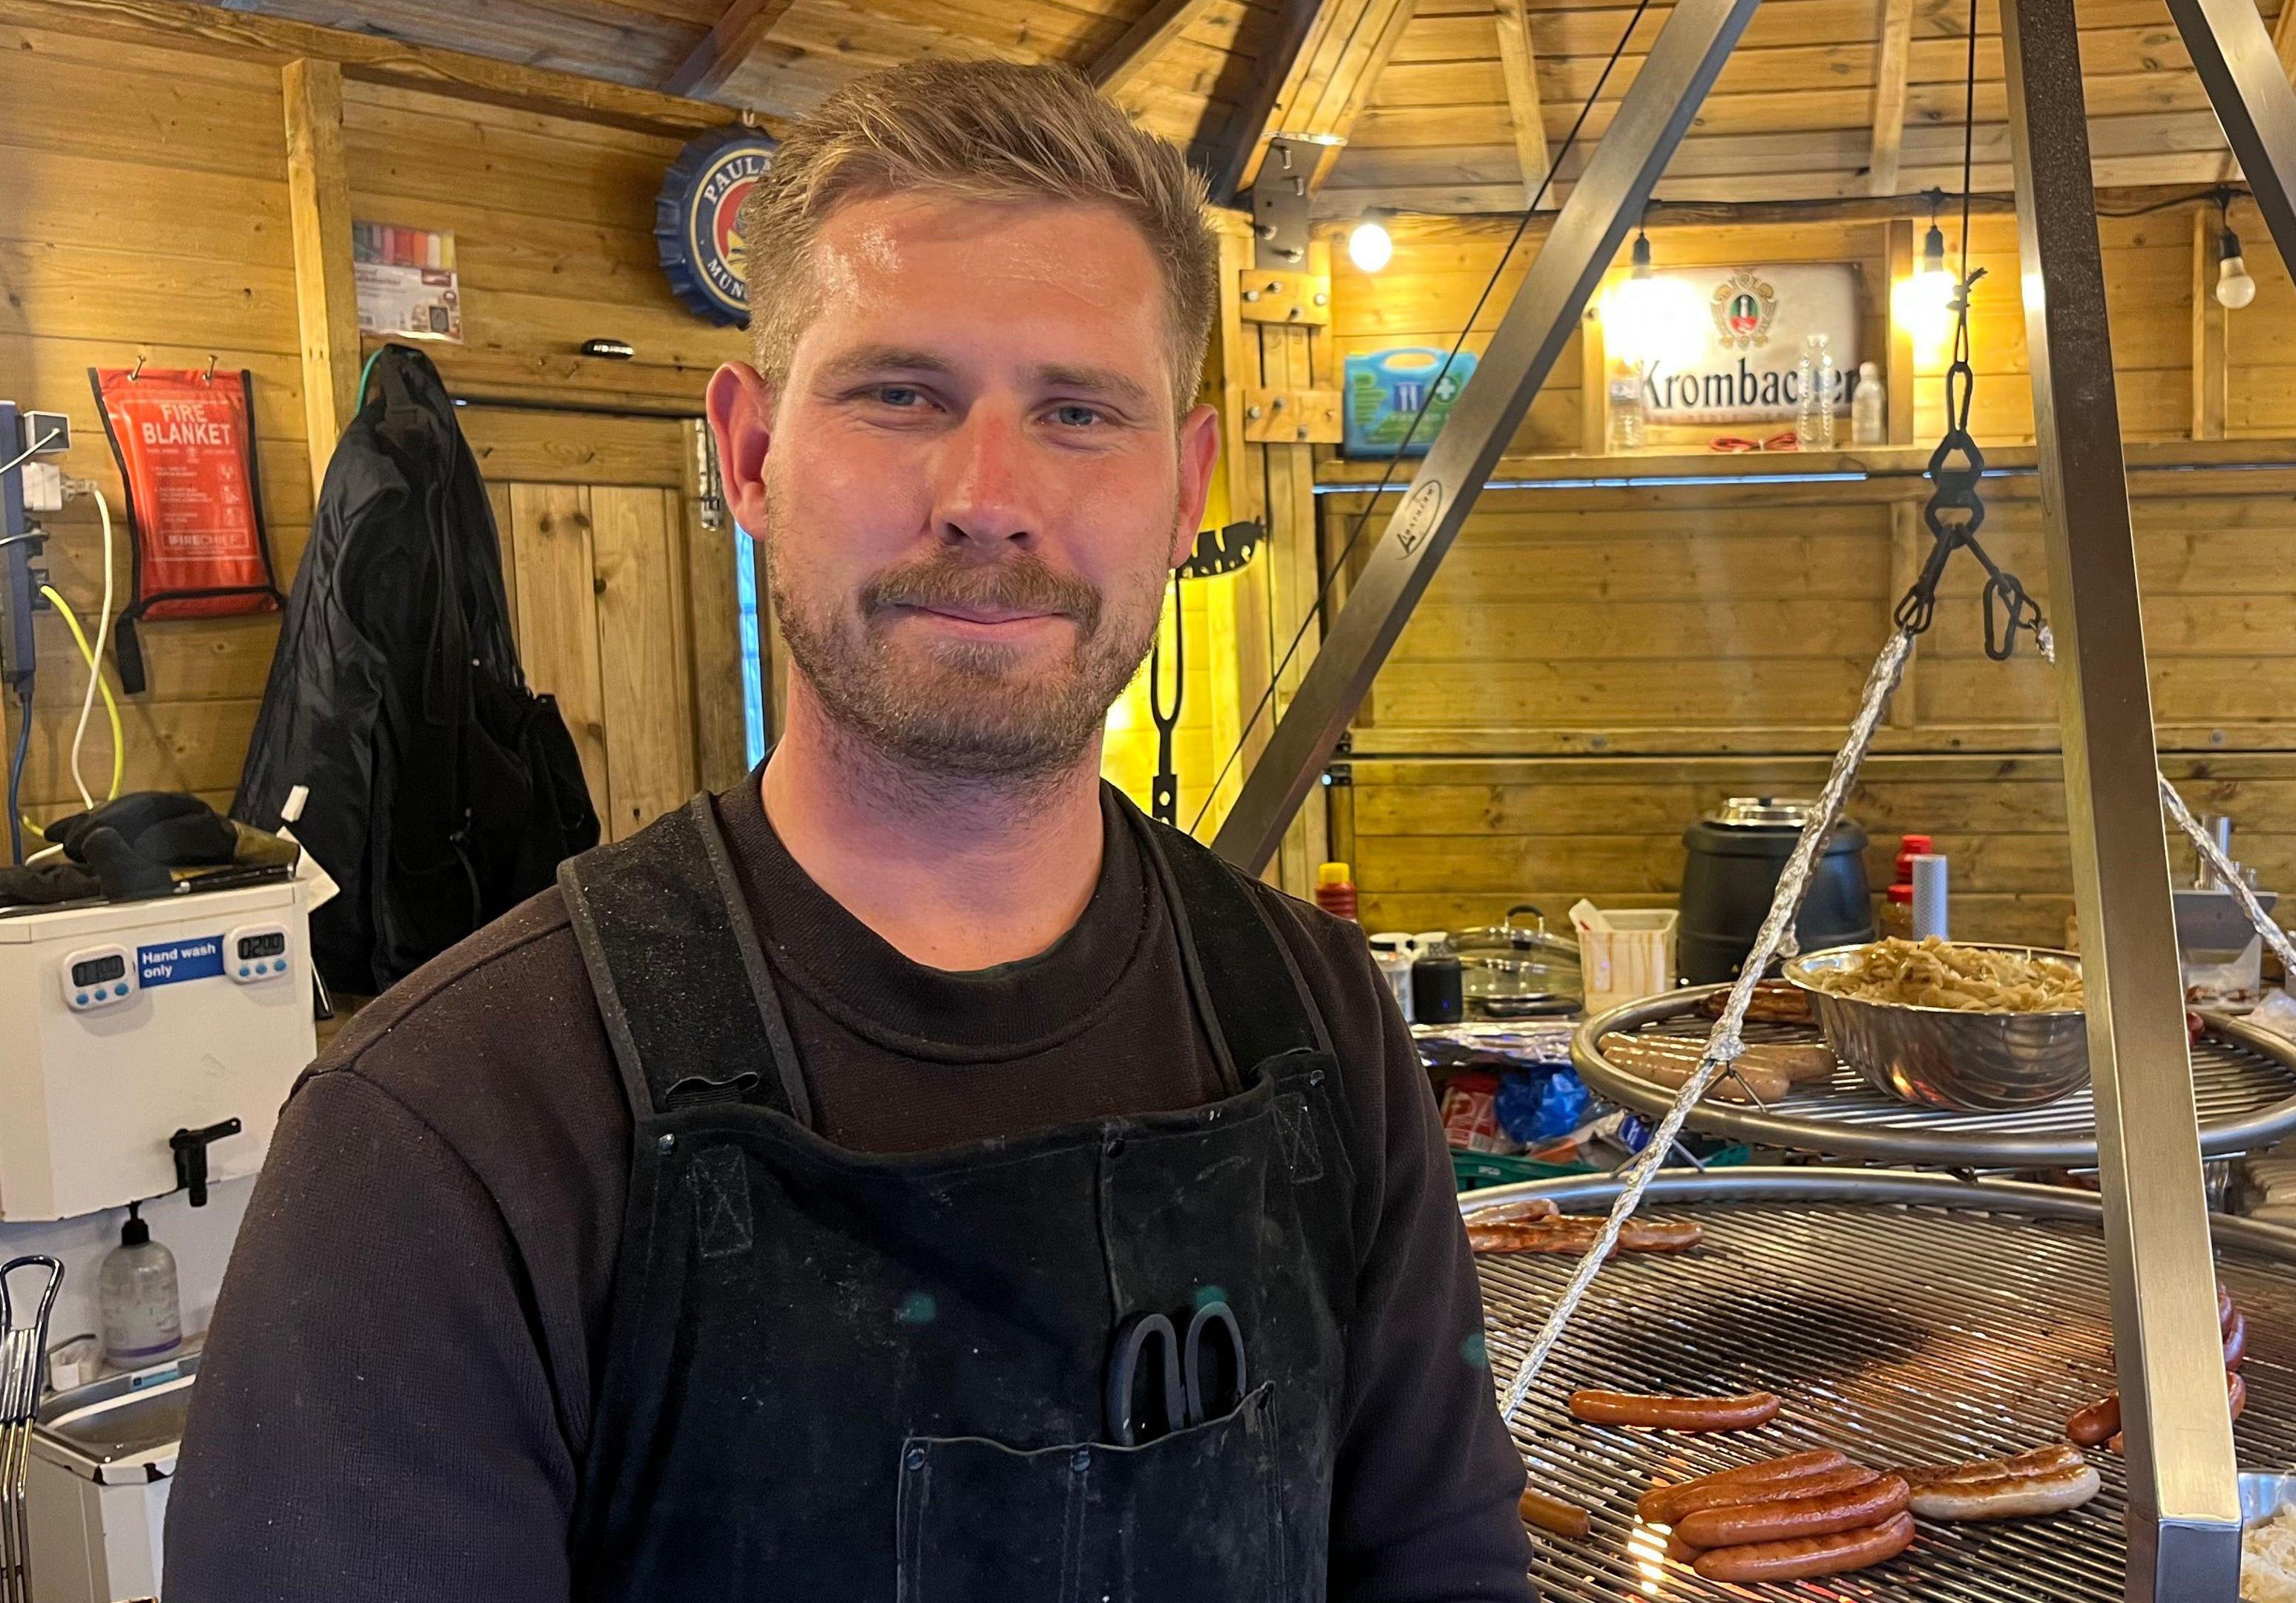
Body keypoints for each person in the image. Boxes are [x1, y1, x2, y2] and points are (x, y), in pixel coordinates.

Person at [167, 60, 1533, 1602]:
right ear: (749, 456)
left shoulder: (1319, 1024)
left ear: (1183, 489)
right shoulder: (444, 1131)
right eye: (902, 395)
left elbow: (1446, 1565)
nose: (987, 497)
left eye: (1080, 413)